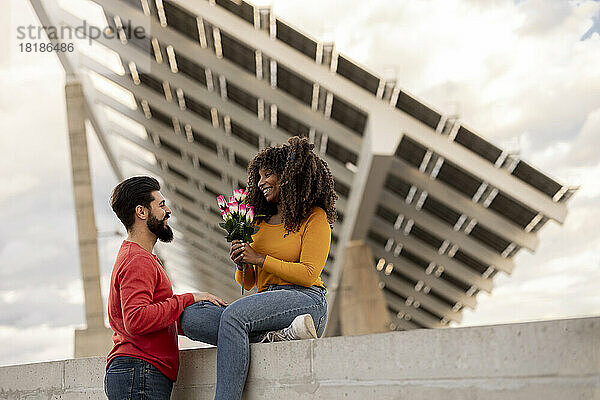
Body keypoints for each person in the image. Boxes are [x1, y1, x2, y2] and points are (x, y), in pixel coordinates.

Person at [181, 135, 337, 400]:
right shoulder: (259, 221)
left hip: (305, 299)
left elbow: (309, 273)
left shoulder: (315, 217)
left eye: (268, 175)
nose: (261, 182)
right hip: (265, 302)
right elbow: (249, 283)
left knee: (235, 316)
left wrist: (260, 258)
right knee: (191, 317)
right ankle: (273, 336)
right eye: (259, 176)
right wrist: (242, 261)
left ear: (288, 175)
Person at [105, 176, 227, 400]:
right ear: (141, 212)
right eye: (161, 205)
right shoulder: (137, 260)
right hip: (140, 371)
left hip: (140, 371)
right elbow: (136, 319)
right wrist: (188, 299)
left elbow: (153, 317)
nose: (168, 210)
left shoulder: (140, 257)